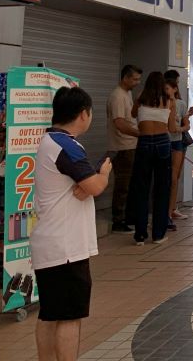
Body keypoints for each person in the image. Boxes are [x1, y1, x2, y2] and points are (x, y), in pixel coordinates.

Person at [31, 86, 112, 361]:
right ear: (83, 114)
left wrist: (86, 186)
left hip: (49, 244)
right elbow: (94, 186)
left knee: (49, 315)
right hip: (66, 248)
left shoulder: (49, 141)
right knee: (69, 317)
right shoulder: (67, 145)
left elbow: (81, 186)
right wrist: (103, 174)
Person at [126, 72, 177, 245]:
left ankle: (140, 235)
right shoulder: (169, 100)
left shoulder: (141, 97)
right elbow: (171, 127)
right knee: (162, 189)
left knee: (141, 188)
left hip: (144, 142)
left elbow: (133, 114)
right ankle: (158, 234)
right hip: (163, 142)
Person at [106, 64, 141, 233]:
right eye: (134, 79)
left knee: (129, 185)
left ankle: (127, 217)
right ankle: (118, 220)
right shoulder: (118, 96)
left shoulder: (128, 93)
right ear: (125, 78)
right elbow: (119, 123)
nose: (137, 82)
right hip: (122, 147)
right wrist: (139, 134)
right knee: (123, 185)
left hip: (130, 145)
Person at [164, 70, 193, 227]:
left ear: (175, 89)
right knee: (165, 178)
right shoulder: (160, 103)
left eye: (169, 87)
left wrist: (180, 129)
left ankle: (170, 211)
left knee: (173, 178)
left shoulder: (180, 104)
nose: (166, 91)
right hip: (162, 142)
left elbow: (185, 124)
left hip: (176, 143)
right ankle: (165, 212)